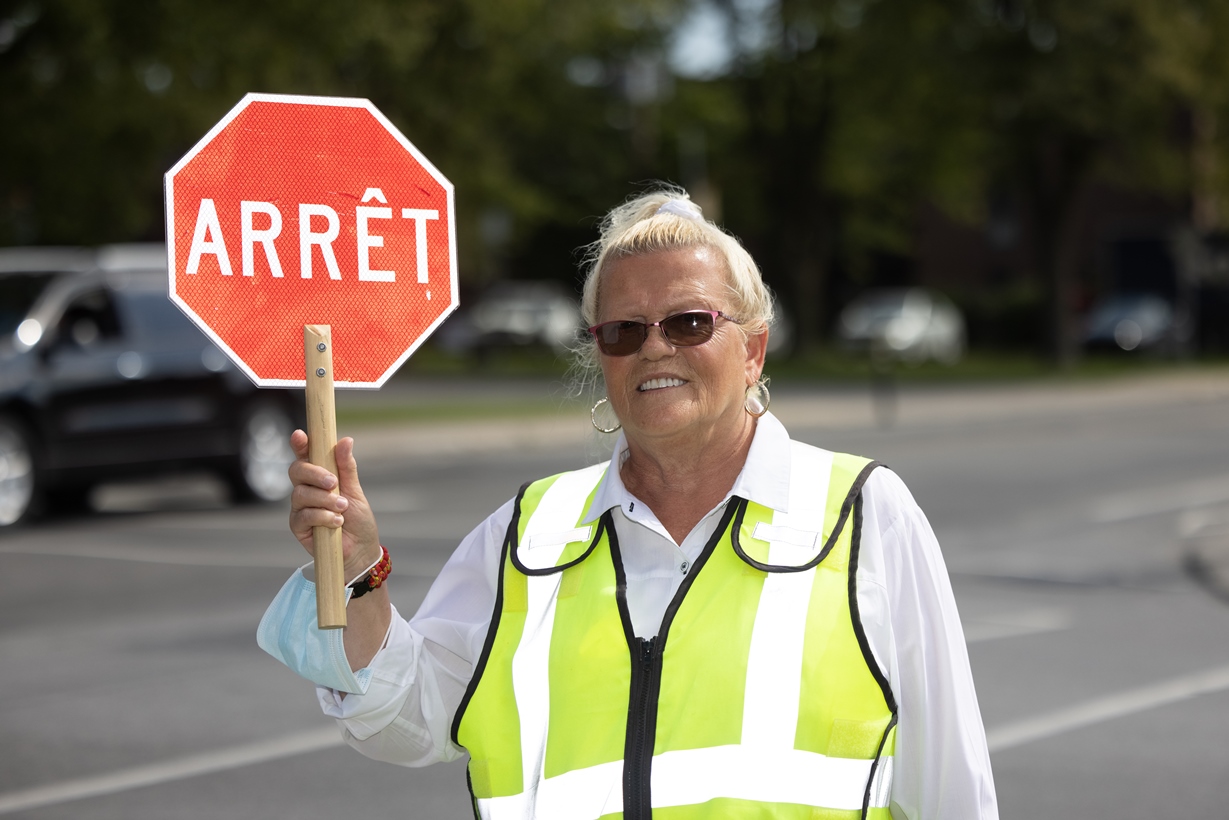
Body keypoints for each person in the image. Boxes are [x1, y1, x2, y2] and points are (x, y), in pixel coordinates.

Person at [258, 188, 999, 820]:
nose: (654, 348)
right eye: (622, 331)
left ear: (753, 350)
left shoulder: (864, 516)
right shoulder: (528, 534)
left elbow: (950, 789)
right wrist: (357, 571)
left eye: (689, 322)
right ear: (599, 358)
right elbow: (401, 721)